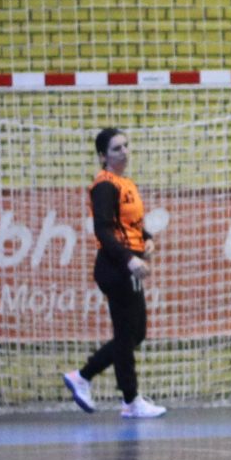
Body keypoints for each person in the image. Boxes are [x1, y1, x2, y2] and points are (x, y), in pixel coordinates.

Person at [63, 128, 167, 421]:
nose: (124, 152)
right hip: (114, 266)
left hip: (128, 263)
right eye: (116, 148)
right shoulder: (104, 185)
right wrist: (128, 260)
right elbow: (103, 230)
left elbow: (131, 225)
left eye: (126, 146)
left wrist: (147, 239)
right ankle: (130, 400)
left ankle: (83, 376)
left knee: (135, 333)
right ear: (103, 156)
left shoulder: (126, 183)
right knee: (125, 334)